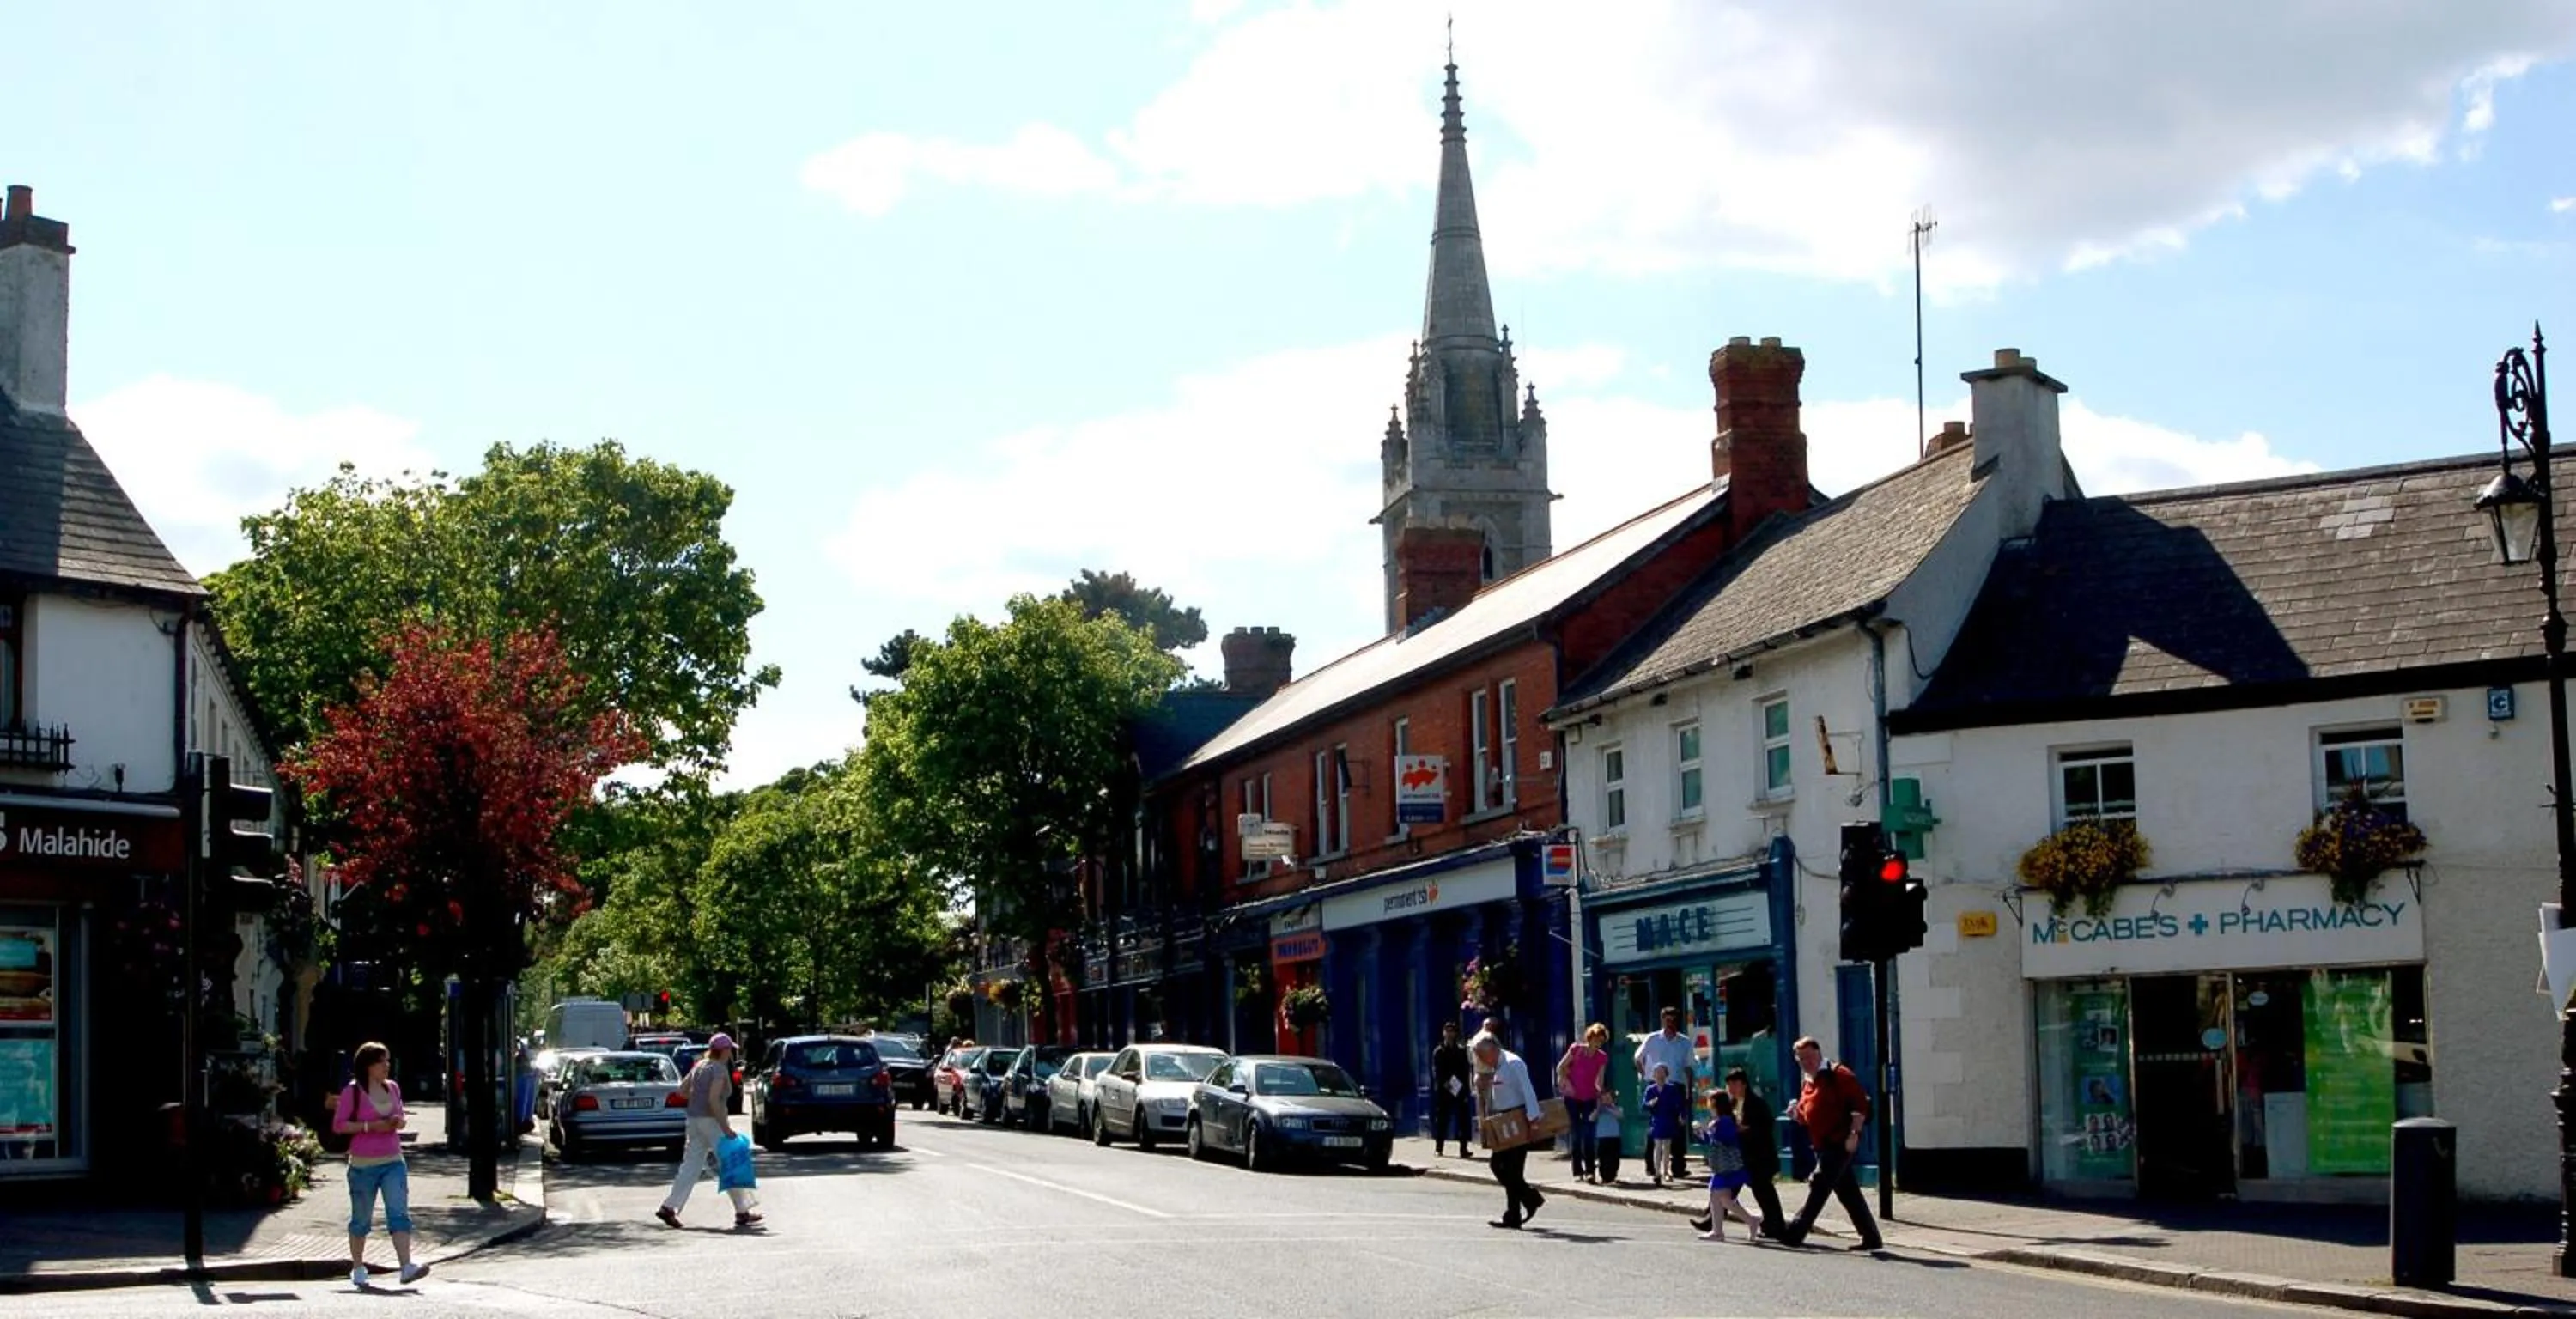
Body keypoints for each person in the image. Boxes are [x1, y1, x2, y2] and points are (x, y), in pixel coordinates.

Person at [332, 1042, 428, 1289]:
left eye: (387, 1061)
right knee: (361, 1220)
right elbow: (340, 1125)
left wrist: (399, 1122)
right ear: (367, 1065)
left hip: (393, 1160)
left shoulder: (392, 1088)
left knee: (398, 1213)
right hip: (362, 1165)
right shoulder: (352, 1092)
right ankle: (358, 1266)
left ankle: (406, 1266)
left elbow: (400, 1115)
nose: (387, 1066)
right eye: (381, 1061)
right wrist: (371, 1127)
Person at [1774, 1036, 1882, 1251]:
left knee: (1819, 1185)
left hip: (1839, 1142)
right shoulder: (1808, 1081)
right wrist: (1796, 1114)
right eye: (1802, 1058)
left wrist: (1854, 1134)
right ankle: (1871, 1237)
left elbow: (1861, 1106)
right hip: (1821, 1144)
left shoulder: (1839, 1075)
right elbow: (1807, 1114)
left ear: (1819, 1054)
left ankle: (1795, 1232)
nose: (1807, 1062)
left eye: (1810, 1057)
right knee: (1848, 1192)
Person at [658, 1034, 762, 1230]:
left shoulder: (700, 1065)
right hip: (712, 1122)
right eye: (729, 1049)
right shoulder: (719, 1070)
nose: (731, 1052)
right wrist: (726, 1127)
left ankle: (669, 1207)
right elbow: (714, 1100)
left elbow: (681, 1091)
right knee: (730, 1164)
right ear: (723, 1050)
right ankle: (742, 1212)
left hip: (693, 1120)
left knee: (690, 1165)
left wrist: (697, 1097)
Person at [1698, 1066, 1787, 1236]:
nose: (1731, 1088)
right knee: (1724, 1189)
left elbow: (1766, 1126)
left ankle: (1774, 1225)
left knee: (1763, 1191)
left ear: (1744, 1084)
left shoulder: (1756, 1103)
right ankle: (1712, 1222)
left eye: (1735, 1084)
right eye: (1728, 1085)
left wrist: (1745, 1129)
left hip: (1759, 1157)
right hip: (1739, 1157)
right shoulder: (1731, 1104)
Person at [1472, 1034, 1546, 1229]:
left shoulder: (1514, 1064)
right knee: (1498, 1165)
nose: (1481, 1059)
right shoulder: (1493, 1066)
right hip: (1501, 1120)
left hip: (1518, 1118)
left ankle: (1516, 1212)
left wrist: (1534, 1120)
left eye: (1482, 1054)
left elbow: (1528, 1091)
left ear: (1492, 1050)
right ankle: (1527, 1200)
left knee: (1512, 1168)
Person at [1692, 1090, 1763, 1243]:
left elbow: (1726, 1138)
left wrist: (1709, 1131)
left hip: (1727, 1166)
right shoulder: (1721, 1121)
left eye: (1711, 1102)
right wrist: (1702, 1133)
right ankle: (1749, 1221)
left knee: (1719, 1196)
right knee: (1724, 1199)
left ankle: (1719, 1231)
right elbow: (1712, 1141)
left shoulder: (1725, 1121)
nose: (1709, 1106)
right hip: (1724, 1166)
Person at [1632, 1007, 1695, 1178]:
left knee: (1678, 1127)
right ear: (1662, 1021)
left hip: (1676, 1085)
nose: (1671, 1024)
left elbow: (1689, 1068)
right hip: (1656, 1085)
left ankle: (1678, 1167)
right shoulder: (1652, 1039)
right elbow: (1638, 1058)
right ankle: (1652, 1166)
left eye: (1674, 1021)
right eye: (1668, 1020)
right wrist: (1646, 1077)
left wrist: (1689, 1092)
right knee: (1656, 1126)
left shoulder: (1684, 1042)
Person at [1554, 1024, 1610, 1183]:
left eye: (1601, 1041)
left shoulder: (1601, 1057)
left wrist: (1602, 1094)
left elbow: (1599, 1080)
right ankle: (1577, 1171)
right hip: (1572, 1097)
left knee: (1589, 1134)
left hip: (1590, 1098)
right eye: (1595, 1040)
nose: (1597, 1044)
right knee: (1576, 1133)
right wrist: (1567, 1083)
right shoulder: (1576, 1049)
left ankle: (1590, 1171)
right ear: (1589, 1038)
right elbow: (1560, 1067)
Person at [1431, 1021, 1474, 1158]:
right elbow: (1438, 1074)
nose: (1449, 1034)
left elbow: (1465, 1070)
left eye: (1452, 1031)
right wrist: (1450, 1087)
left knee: (1463, 1120)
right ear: (1443, 1033)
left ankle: (1463, 1148)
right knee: (1442, 1120)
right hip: (1444, 1090)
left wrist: (1465, 1090)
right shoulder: (1438, 1051)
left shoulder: (1460, 1051)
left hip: (1460, 1089)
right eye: (1447, 1031)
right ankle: (1439, 1148)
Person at [1643, 1063, 1688, 1187]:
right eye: (1657, 1072)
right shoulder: (1650, 1089)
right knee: (1657, 1147)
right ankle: (1657, 1173)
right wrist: (1650, 1103)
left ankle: (1666, 1171)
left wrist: (1681, 1116)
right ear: (1654, 1075)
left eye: (1662, 1072)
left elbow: (1679, 1105)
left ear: (1666, 1074)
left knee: (1667, 1147)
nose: (1659, 1075)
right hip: (1657, 1120)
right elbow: (1644, 1105)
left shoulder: (1672, 1088)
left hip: (1669, 1120)